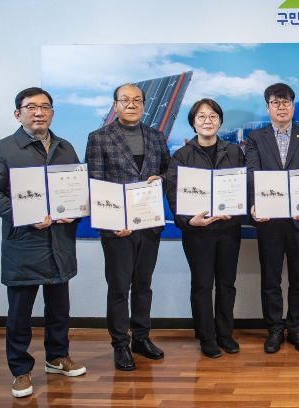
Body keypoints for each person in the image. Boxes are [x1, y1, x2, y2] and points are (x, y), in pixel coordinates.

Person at [0, 87, 86, 398]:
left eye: (45, 107)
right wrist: (24, 214)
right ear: (18, 114)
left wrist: (75, 211)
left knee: (59, 309)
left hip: (60, 243)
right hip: (24, 243)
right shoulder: (2, 149)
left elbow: (76, 190)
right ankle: (20, 370)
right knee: (20, 314)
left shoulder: (65, 147)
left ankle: (57, 357)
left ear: (52, 112)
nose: (38, 112)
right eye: (31, 107)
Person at [85, 83, 171, 370]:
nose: (131, 104)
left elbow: (169, 170)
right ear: (116, 105)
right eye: (125, 100)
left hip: (149, 225)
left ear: (144, 105)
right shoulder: (99, 138)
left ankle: (141, 338)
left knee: (144, 285)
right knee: (120, 288)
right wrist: (111, 224)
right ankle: (120, 344)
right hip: (117, 230)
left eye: (137, 100)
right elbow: (95, 184)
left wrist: (162, 179)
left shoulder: (156, 136)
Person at [166, 99, 245, 358]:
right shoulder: (182, 155)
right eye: (201, 116)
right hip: (197, 232)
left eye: (212, 116)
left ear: (220, 121)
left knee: (227, 283)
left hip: (228, 229)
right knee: (202, 285)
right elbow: (173, 194)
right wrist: (188, 220)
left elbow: (244, 186)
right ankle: (206, 337)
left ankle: (225, 333)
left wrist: (237, 208)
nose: (207, 121)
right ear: (193, 122)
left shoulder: (234, 151)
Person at [245, 83, 299, 353]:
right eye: (275, 102)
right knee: (271, 279)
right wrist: (255, 203)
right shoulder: (256, 138)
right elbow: (252, 174)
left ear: (293, 106)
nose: (281, 107)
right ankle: (275, 329)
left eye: (286, 102)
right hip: (270, 221)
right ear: (267, 107)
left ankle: (297, 328)